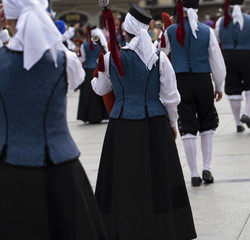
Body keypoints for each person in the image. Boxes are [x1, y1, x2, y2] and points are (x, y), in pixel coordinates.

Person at [0, 1, 106, 239]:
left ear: (7, 18)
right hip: (60, 166)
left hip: (9, 166)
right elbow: (75, 77)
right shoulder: (64, 61)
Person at [91, 5, 197, 239]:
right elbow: (171, 97)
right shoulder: (159, 58)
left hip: (122, 124)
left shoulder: (110, 59)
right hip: (155, 123)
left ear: (125, 32)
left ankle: (123, 227)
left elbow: (100, 89)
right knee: (158, 177)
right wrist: (172, 123)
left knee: (123, 177)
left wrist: (100, 68)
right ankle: (163, 227)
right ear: (147, 30)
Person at [160, 0, 226, 186]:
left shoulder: (170, 31)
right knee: (207, 123)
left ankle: (194, 174)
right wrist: (219, 86)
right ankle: (207, 168)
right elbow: (217, 62)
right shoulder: (206, 31)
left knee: (187, 126)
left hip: (181, 81)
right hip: (203, 80)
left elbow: (161, 57)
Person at [215, 0, 250, 132]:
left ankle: (238, 123)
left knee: (233, 89)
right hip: (247, 56)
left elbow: (215, 42)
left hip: (228, 57)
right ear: (242, 4)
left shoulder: (220, 22)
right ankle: (246, 114)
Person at [77, 24, 109, 124]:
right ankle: (102, 114)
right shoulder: (101, 45)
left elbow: (81, 59)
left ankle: (89, 116)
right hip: (99, 69)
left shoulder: (84, 45)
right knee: (100, 92)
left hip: (88, 71)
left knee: (88, 95)